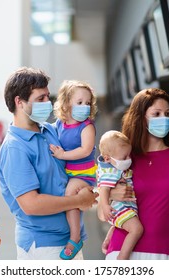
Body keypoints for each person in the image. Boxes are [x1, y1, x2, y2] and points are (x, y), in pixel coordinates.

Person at [0, 67, 98, 260]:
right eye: (40, 98)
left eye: (48, 97)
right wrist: (79, 201)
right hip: (43, 246)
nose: (47, 103)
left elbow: (76, 170)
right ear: (19, 102)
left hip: (69, 241)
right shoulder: (15, 148)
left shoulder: (50, 131)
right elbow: (31, 205)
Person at [101, 88, 169, 260]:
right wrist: (110, 195)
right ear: (140, 118)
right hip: (123, 250)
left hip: (166, 250)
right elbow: (102, 213)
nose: (164, 119)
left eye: (167, 114)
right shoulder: (125, 157)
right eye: (157, 113)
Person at [49, 80, 97, 260]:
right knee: (72, 201)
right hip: (68, 173)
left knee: (70, 195)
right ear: (67, 102)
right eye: (80, 102)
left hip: (83, 174)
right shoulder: (60, 124)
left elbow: (85, 150)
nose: (85, 107)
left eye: (88, 103)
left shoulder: (87, 126)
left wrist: (62, 156)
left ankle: (75, 238)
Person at [96, 130, 143, 260]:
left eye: (129, 155)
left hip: (124, 208)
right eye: (124, 157)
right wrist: (105, 206)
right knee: (136, 229)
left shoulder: (115, 167)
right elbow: (104, 189)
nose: (128, 159)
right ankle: (123, 257)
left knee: (130, 225)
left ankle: (112, 232)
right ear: (107, 158)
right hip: (120, 208)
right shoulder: (110, 171)